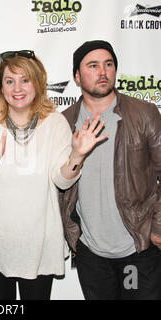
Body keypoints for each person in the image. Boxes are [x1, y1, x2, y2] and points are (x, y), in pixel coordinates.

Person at [0, 50, 107, 300]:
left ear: (38, 83)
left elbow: (61, 180)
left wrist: (77, 156)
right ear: (0, 87)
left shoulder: (54, 123)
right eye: (9, 81)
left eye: (25, 80)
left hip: (39, 243)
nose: (17, 88)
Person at [59, 40, 161, 300]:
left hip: (137, 249)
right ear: (77, 76)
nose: (103, 72)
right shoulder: (64, 122)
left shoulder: (144, 113)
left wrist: (157, 228)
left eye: (108, 64)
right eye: (93, 66)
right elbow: (59, 183)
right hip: (91, 253)